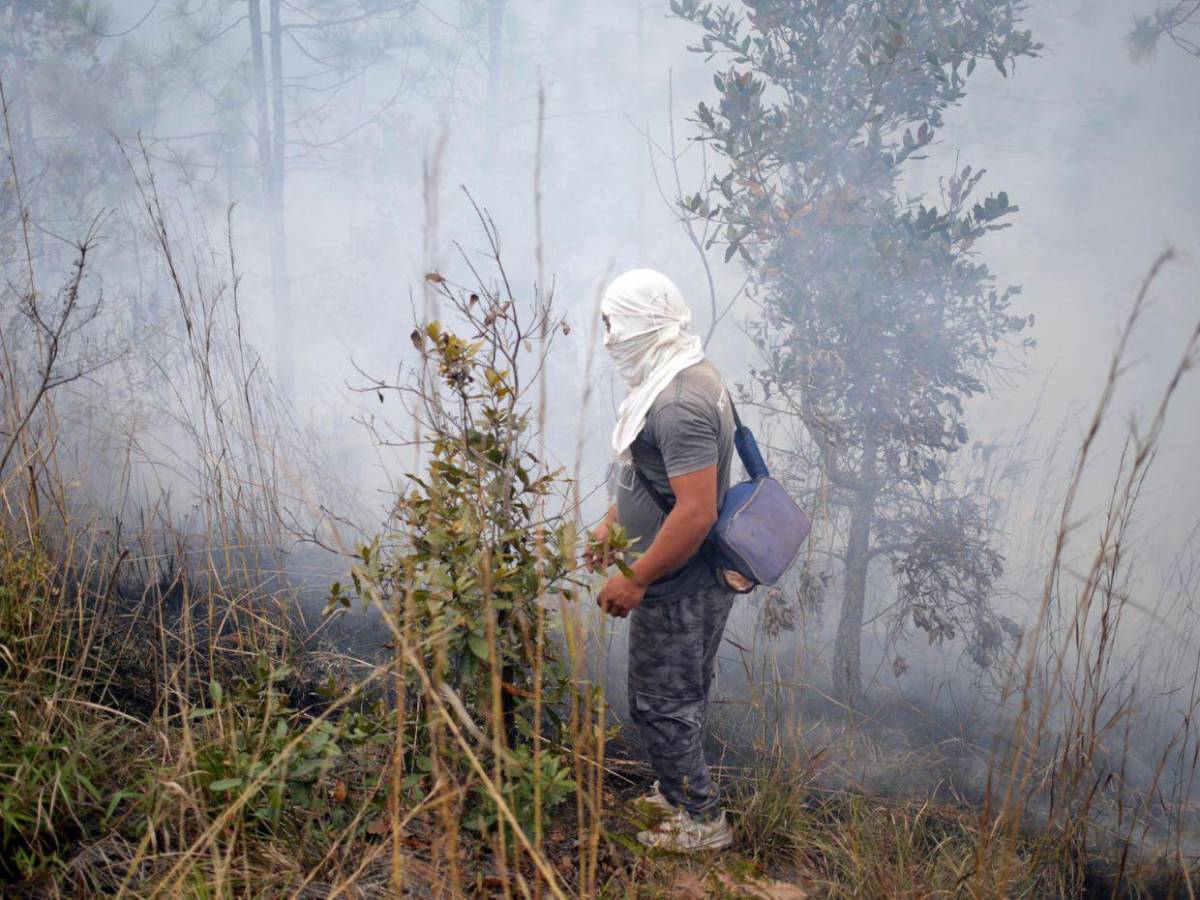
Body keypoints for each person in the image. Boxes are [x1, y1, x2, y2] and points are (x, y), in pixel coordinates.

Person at [585, 268, 736, 853]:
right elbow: (651, 478)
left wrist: (635, 577)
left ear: (645, 323)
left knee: (663, 701)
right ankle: (674, 793)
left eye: (614, 325)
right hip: (673, 576)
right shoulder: (673, 374)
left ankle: (700, 821)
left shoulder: (678, 401)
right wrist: (612, 522)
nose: (607, 339)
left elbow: (695, 513)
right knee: (669, 694)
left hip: (681, 582)